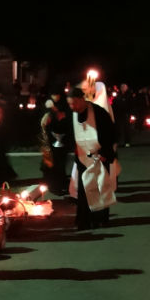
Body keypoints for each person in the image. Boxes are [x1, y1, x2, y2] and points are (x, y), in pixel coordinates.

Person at [66, 86, 118, 230]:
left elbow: (111, 134)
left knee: (100, 187)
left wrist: (105, 153)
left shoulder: (99, 113)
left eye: (74, 103)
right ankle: (84, 221)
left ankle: (100, 219)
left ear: (82, 99)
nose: (72, 107)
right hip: (83, 157)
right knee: (84, 190)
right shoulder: (72, 114)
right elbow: (68, 133)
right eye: (70, 104)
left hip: (100, 156)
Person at [40, 85, 73, 195]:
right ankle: (52, 184)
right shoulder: (47, 105)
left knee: (60, 162)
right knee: (51, 162)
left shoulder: (64, 104)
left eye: (57, 95)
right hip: (50, 138)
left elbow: (65, 117)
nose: (55, 97)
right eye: (53, 95)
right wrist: (49, 114)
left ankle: (60, 183)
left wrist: (56, 111)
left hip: (62, 137)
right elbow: (44, 121)